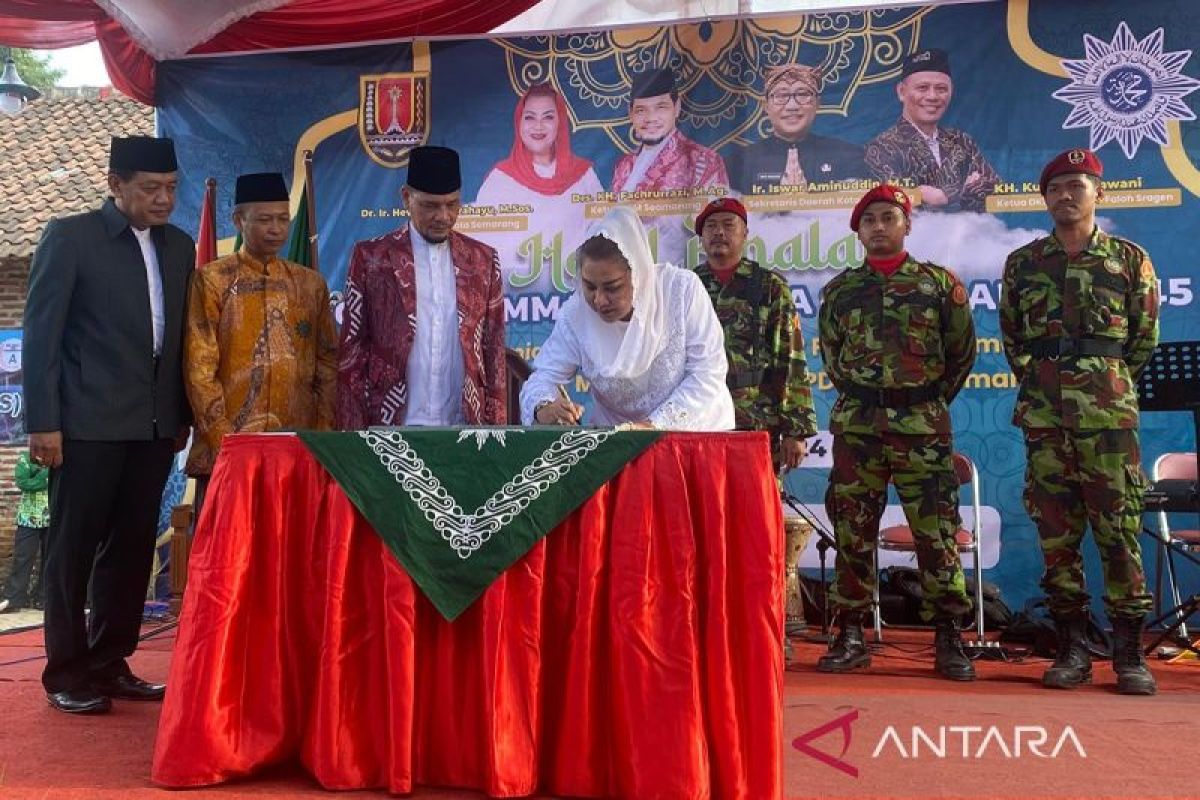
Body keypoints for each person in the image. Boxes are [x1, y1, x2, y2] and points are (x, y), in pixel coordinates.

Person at [24, 135, 194, 714]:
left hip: (153, 429)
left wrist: (180, 418)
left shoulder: (180, 247)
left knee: (130, 551)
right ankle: (66, 671)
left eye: (171, 188)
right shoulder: (70, 239)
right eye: (150, 189)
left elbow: (179, 344)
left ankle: (109, 660)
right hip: (85, 426)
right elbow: (41, 336)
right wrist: (43, 422)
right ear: (114, 185)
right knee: (72, 552)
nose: (164, 199)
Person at [1000, 148, 1159, 696]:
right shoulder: (1024, 263)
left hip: (1108, 418)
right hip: (1045, 417)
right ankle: (1070, 648)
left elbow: (1142, 340)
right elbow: (1014, 339)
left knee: (1118, 532)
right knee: (1057, 533)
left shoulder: (1128, 260)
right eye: (1057, 187)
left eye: (1078, 184)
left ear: (1098, 193)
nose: (1067, 194)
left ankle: (1129, 655)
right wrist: (1046, 381)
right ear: (1044, 198)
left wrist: (1102, 380)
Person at [817, 184, 976, 681]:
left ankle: (949, 636)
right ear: (859, 232)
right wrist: (875, 399)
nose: (880, 226)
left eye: (889, 217)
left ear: (907, 224)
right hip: (859, 428)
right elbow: (834, 359)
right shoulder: (841, 292)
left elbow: (961, 354)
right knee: (853, 532)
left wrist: (922, 403)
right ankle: (850, 633)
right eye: (870, 220)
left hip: (922, 428)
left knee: (936, 535)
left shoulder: (937, 285)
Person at [184, 172, 338, 511]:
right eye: (265, 220)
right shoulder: (212, 280)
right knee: (230, 555)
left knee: (292, 551)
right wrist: (227, 440)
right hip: (228, 450)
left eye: (283, 219)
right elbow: (199, 368)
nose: (276, 229)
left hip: (297, 448)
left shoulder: (310, 285)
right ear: (239, 220)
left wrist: (322, 435)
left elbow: (328, 363)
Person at [520, 206, 734, 430]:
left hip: (695, 438)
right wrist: (543, 406)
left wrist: (653, 426)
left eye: (612, 287)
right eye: (590, 286)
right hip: (619, 444)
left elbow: (707, 373)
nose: (599, 300)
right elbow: (544, 375)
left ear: (638, 274)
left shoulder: (680, 291)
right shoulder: (576, 314)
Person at [337, 145, 507, 428]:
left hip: (463, 429)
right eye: (430, 206)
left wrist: (495, 433)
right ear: (406, 197)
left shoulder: (483, 261)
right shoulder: (371, 259)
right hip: (391, 428)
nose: (443, 216)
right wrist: (351, 437)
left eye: (452, 204)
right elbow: (352, 354)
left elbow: (494, 352)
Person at [693, 196, 816, 465]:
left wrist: (795, 430)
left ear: (745, 233)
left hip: (756, 418)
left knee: (756, 502)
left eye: (728, 224)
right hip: (698, 417)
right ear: (701, 236)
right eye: (711, 226)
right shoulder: (687, 286)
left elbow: (791, 358)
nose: (719, 232)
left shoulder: (769, 285)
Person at [865, 48, 999, 213]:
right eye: (922, 88)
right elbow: (895, 202)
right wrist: (966, 190)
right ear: (901, 92)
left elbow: (996, 190)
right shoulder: (882, 147)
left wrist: (944, 196)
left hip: (968, 234)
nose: (932, 96)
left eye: (941, 89)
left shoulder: (961, 140)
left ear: (951, 92)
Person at [730, 64, 866, 195]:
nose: (792, 106)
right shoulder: (739, 163)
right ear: (765, 105)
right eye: (781, 96)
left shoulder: (848, 156)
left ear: (817, 103)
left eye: (802, 94)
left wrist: (808, 200)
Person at [476, 83, 604, 214]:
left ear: (560, 123)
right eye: (530, 117)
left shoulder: (584, 176)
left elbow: (602, 224)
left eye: (548, 117)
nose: (538, 126)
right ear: (519, 122)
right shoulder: (500, 179)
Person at [610, 67, 729, 197]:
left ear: (676, 108)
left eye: (661, 107)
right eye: (641, 110)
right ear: (630, 113)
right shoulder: (624, 165)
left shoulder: (703, 161)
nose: (651, 118)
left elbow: (716, 213)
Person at [0, 452, 49, 614]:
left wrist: (39, 477)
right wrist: (46, 475)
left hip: (54, 517)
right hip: (29, 518)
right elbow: (24, 483)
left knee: (51, 559)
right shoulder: (25, 459)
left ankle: (43, 598)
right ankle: (14, 598)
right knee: (23, 557)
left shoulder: (60, 459)